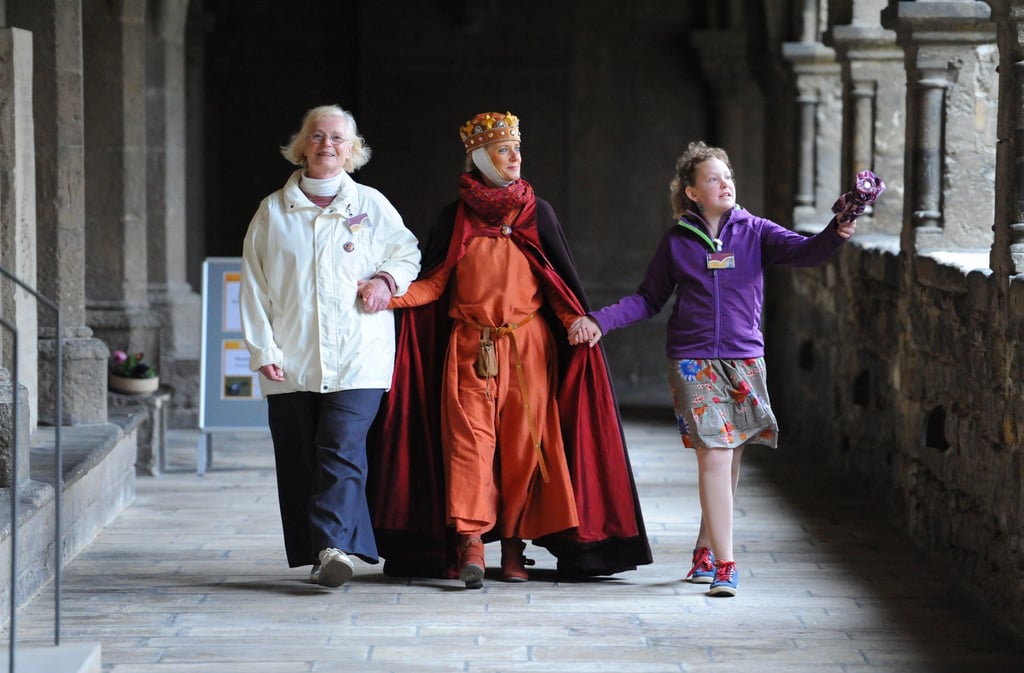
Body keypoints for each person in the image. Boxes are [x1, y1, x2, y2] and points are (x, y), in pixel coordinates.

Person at [570, 141, 879, 597]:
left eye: (728, 176)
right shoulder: (677, 242)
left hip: (744, 359)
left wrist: (838, 228)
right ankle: (727, 566)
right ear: (692, 192)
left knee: (729, 459)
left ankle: (704, 549)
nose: (725, 183)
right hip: (693, 362)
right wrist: (599, 320)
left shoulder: (755, 231)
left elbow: (805, 251)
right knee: (714, 454)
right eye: (713, 178)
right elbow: (648, 299)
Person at [367, 111, 651, 588]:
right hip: (468, 347)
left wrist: (577, 321)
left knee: (525, 450)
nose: (516, 157)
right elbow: (433, 284)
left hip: (528, 348)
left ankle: (516, 547)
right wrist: (386, 295)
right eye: (504, 150)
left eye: (518, 148)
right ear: (481, 157)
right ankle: (472, 546)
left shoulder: (537, 214)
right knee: (468, 448)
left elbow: (557, 283)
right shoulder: (454, 217)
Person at [240, 105, 421, 588]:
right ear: (302, 146)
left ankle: (333, 548)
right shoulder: (272, 212)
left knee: (341, 450)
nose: (327, 145)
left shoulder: (372, 205)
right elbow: (254, 288)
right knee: (301, 458)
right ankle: (325, 549)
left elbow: (408, 253)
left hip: (359, 355)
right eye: (317, 136)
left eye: (337, 138)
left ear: (352, 148)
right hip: (291, 359)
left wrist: (387, 279)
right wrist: (263, 350)